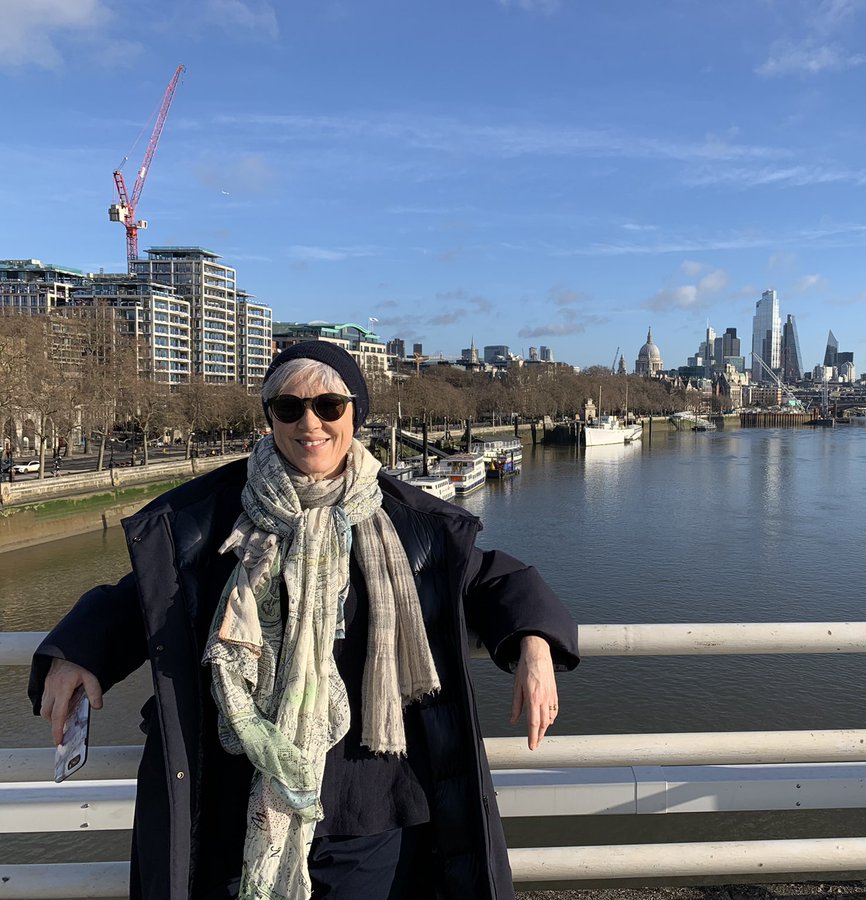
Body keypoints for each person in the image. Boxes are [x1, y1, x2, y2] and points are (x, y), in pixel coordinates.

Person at [29, 341, 579, 900]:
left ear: (356, 415)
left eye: (329, 406)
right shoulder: (213, 516)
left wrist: (534, 644)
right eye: (288, 408)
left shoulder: (407, 524)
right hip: (236, 797)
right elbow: (147, 599)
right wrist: (78, 651)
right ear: (269, 418)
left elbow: (492, 580)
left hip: (368, 800)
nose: (309, 422)